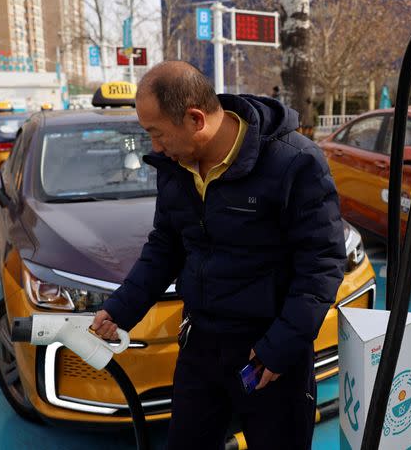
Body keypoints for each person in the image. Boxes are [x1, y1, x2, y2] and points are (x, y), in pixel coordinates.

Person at [91, 61, 345, 449]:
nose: (154, 148)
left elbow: (321, 265)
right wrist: (121, 308)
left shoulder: (294, 162)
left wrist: (277, 350)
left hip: (268, 358)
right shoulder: (174, 166)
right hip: (202, 345)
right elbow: (166, 246)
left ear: (195, 119)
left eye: (156, 134)